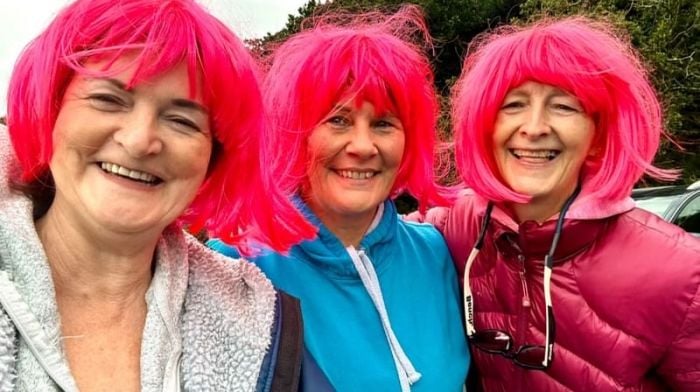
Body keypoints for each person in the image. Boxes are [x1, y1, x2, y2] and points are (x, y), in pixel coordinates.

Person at [0, 0, 315, 390]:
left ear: (213, 159)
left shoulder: (265, 328)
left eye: (182, 120)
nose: (138, 141)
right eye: (108, 99)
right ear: (52, 107)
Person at [411, 16, 700, 391]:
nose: (534, 128)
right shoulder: (456, 226)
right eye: (513, 105)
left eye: (563, 107)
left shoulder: (682, 274)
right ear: (484, 126)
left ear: (598, 134)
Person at [209, 6, 469, 391]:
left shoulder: (437, 254)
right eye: (338, 120)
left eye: (383, 124)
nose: (363, 146)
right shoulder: (235, 269)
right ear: (294, 131)